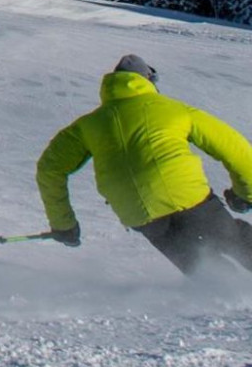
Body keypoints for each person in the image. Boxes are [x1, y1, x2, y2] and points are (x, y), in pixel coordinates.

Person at [36, 54, 252, 275]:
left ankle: (227, 297)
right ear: (148, 80)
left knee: (202, 266)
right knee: (236, 241)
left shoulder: (88, 125)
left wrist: (63, 225)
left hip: (140, 214)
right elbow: (236, 149)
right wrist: (245, 195)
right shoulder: (174, 110)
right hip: (186, 198)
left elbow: (49, 169)